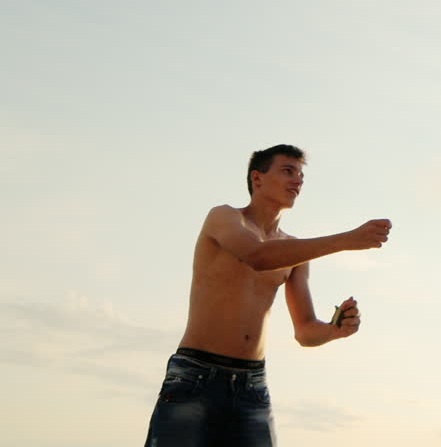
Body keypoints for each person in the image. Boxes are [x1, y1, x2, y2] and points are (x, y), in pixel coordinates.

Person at [144, 144, 392, 446]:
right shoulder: (224, 218)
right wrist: (347, 240)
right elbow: (258, 256)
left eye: (301, 174)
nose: (298, 180)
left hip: (251, 385)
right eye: (288, 171)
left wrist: (334, 330)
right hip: (196, 376)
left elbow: (304, 331)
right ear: (257, 179)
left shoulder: (295, 250)